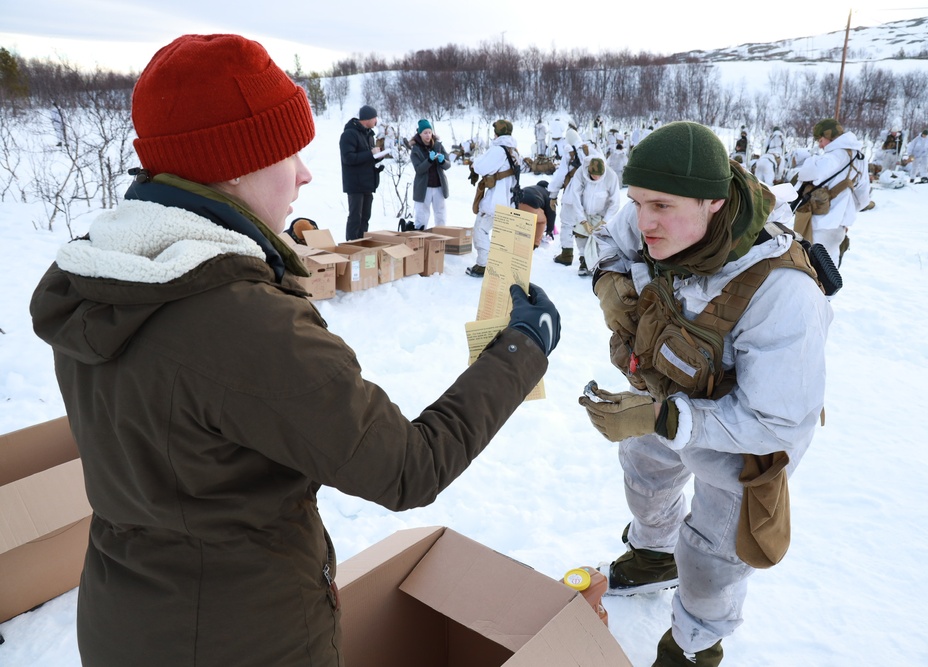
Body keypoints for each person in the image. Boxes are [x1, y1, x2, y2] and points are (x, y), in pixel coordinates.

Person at [28, 34, 562, 667]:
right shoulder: (241, 323)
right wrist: (522, 348)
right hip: (246, 640)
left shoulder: (105, 277)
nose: (307, 174)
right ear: (232, 163)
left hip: (127, 619)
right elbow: (407, 467)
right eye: (289, 153)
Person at [579, 121, 832, 666]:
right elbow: (610, 239)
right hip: (665, 393)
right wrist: (609, 285)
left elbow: (778, 423)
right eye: (637, 201)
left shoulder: (783, 294)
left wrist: (665, 419)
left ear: (714, 202)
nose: (644, 221)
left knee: (712, 558)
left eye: (661, 207)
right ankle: (651, 557)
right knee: (645, 478)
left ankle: (694, 646)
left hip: (739, 442)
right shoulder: (657, 211)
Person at [793, 118, 871, 265]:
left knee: (807, 267)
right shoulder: (860, 159)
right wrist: (847, 212)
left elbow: (806, 174)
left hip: (819, 225)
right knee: (829, 270)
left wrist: (812, 159)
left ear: (829, 137)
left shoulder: (833, 156)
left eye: (821, 140)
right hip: (839, 228)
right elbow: (863, 196)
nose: (820, 145)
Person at [468, 119, 521, 277]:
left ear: (497, 133)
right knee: (502, 235)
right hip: (509, 200)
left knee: (480, 230)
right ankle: (501, 264)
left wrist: (474, 163)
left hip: (496, 201)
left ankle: (484, 265)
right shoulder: (513, 149)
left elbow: (481, 167)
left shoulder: (498, 150)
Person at [553, 153, 620, 276]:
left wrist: (605, 220)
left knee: (598, 238)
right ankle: (583, 261)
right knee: (581, 234)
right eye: (593, 175)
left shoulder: (611, 176)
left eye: (598, 176)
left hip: (601, 212)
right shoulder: (581, 173)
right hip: (583, 210)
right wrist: (583, 220)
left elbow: (615, 201)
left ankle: (597, 263)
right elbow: (576, 197)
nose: (595, 178)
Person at [340, 103, 385, 240]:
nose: (376, 121)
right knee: (355, 217)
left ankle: (362, 244)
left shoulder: (370, 135)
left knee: (365, 217)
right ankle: (350, 246)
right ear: (367, 118)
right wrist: (371, 154)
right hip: (355, 184)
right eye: (375, 118)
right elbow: (348, 158)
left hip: (367, 184)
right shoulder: (349, 134)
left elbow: (367, 158)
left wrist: (377, 158)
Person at [409, 118, 451, 229]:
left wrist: (442, 161)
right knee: (422, 216)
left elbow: (448, 165)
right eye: (425, 133)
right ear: (420, 134)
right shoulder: (415, 150)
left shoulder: (438, 145)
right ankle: (419, 238)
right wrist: (429, 160)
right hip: (424, 187)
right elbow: (419, 170)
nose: (428, 135)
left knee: (440, 214)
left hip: (438, 186)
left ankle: (441, 236)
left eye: (429, 132)